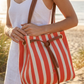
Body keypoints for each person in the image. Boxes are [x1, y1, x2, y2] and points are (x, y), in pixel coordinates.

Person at [4, 0, 78, 84]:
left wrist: (42, 29)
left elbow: (73, 20)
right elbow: (8, 25)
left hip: (39, 57)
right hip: (14, 59)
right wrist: (10, 31)